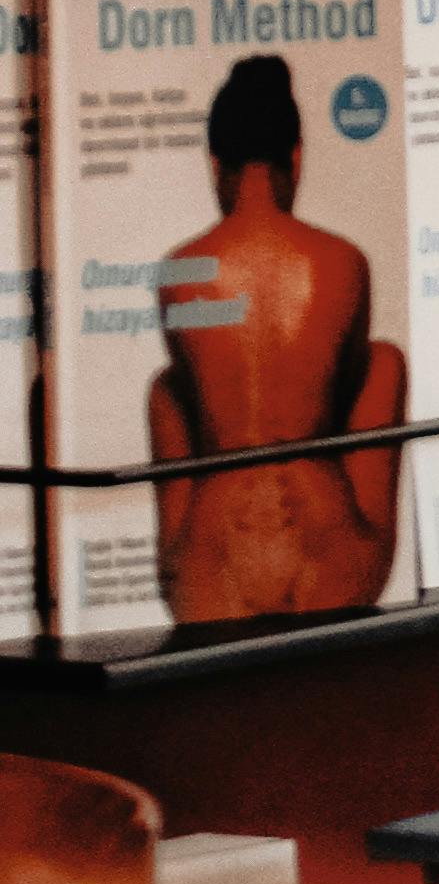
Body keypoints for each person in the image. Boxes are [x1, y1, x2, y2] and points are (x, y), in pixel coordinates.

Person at [148, 54, 406, 625]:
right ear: (296, 155)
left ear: (216, 163)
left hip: (208, 568)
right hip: (328, 555)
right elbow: (341, 402)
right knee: (383, 363)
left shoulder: (179, 271)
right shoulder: (343, 262)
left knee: (169, 389)